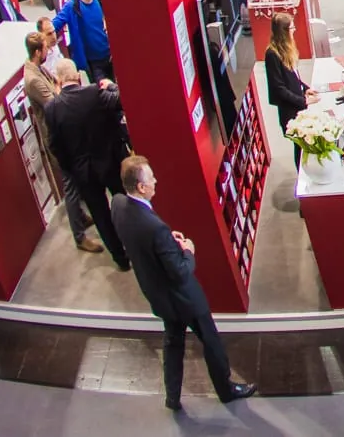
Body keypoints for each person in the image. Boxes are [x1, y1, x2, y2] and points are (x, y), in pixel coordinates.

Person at [109, 155, 256, 410]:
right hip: (184, 298)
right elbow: (181, 271)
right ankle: (226, 389)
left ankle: (172, 396)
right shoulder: (154, 228)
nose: (156, 180)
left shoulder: (119, 205)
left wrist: (167, 243)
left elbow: (143, 243)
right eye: (151, 177)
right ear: (141, 187)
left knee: (173, 341)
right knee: (211, 340)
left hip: (156, 294)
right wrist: (188, 250)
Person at [43, 71, 131, 269]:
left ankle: (121, 259)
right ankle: (134, 246)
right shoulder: (94, 93)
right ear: (76, 75)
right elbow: (121, 101)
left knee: (101, 216)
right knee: (123, 203)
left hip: (83, 173)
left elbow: (55, 146)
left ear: (59, 81)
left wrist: (72, 169)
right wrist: (110, 86)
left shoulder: (52, 109)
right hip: (110, 163)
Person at [22, 30, 99, 253]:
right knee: (71, 186)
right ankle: (79, 236)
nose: (49, 51)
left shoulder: (38, 68)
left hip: (63, 134)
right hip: (57, 140)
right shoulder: (33, 79)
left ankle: (81, 219)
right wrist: (58, 88)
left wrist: (57, 86)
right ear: (38, 52)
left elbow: (57, 86)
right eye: (46, 48)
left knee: (74, 183)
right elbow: (56, 101)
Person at [263, 14, 315, 165]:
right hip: (290, 111)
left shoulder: (287, 48)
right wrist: (303, 101)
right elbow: (279, 88)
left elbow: (293, 76)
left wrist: (305, 89)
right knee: (300, 146)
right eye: (292, 28)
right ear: (284, 31)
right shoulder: (272, 54)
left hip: (298, 104)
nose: (294, 30)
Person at [53, 0, 115, 84]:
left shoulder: (99, 0)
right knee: (102, 91)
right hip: (92, 61)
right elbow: (56, 23)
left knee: (114, 88)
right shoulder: (72, 6)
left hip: (108, 55)